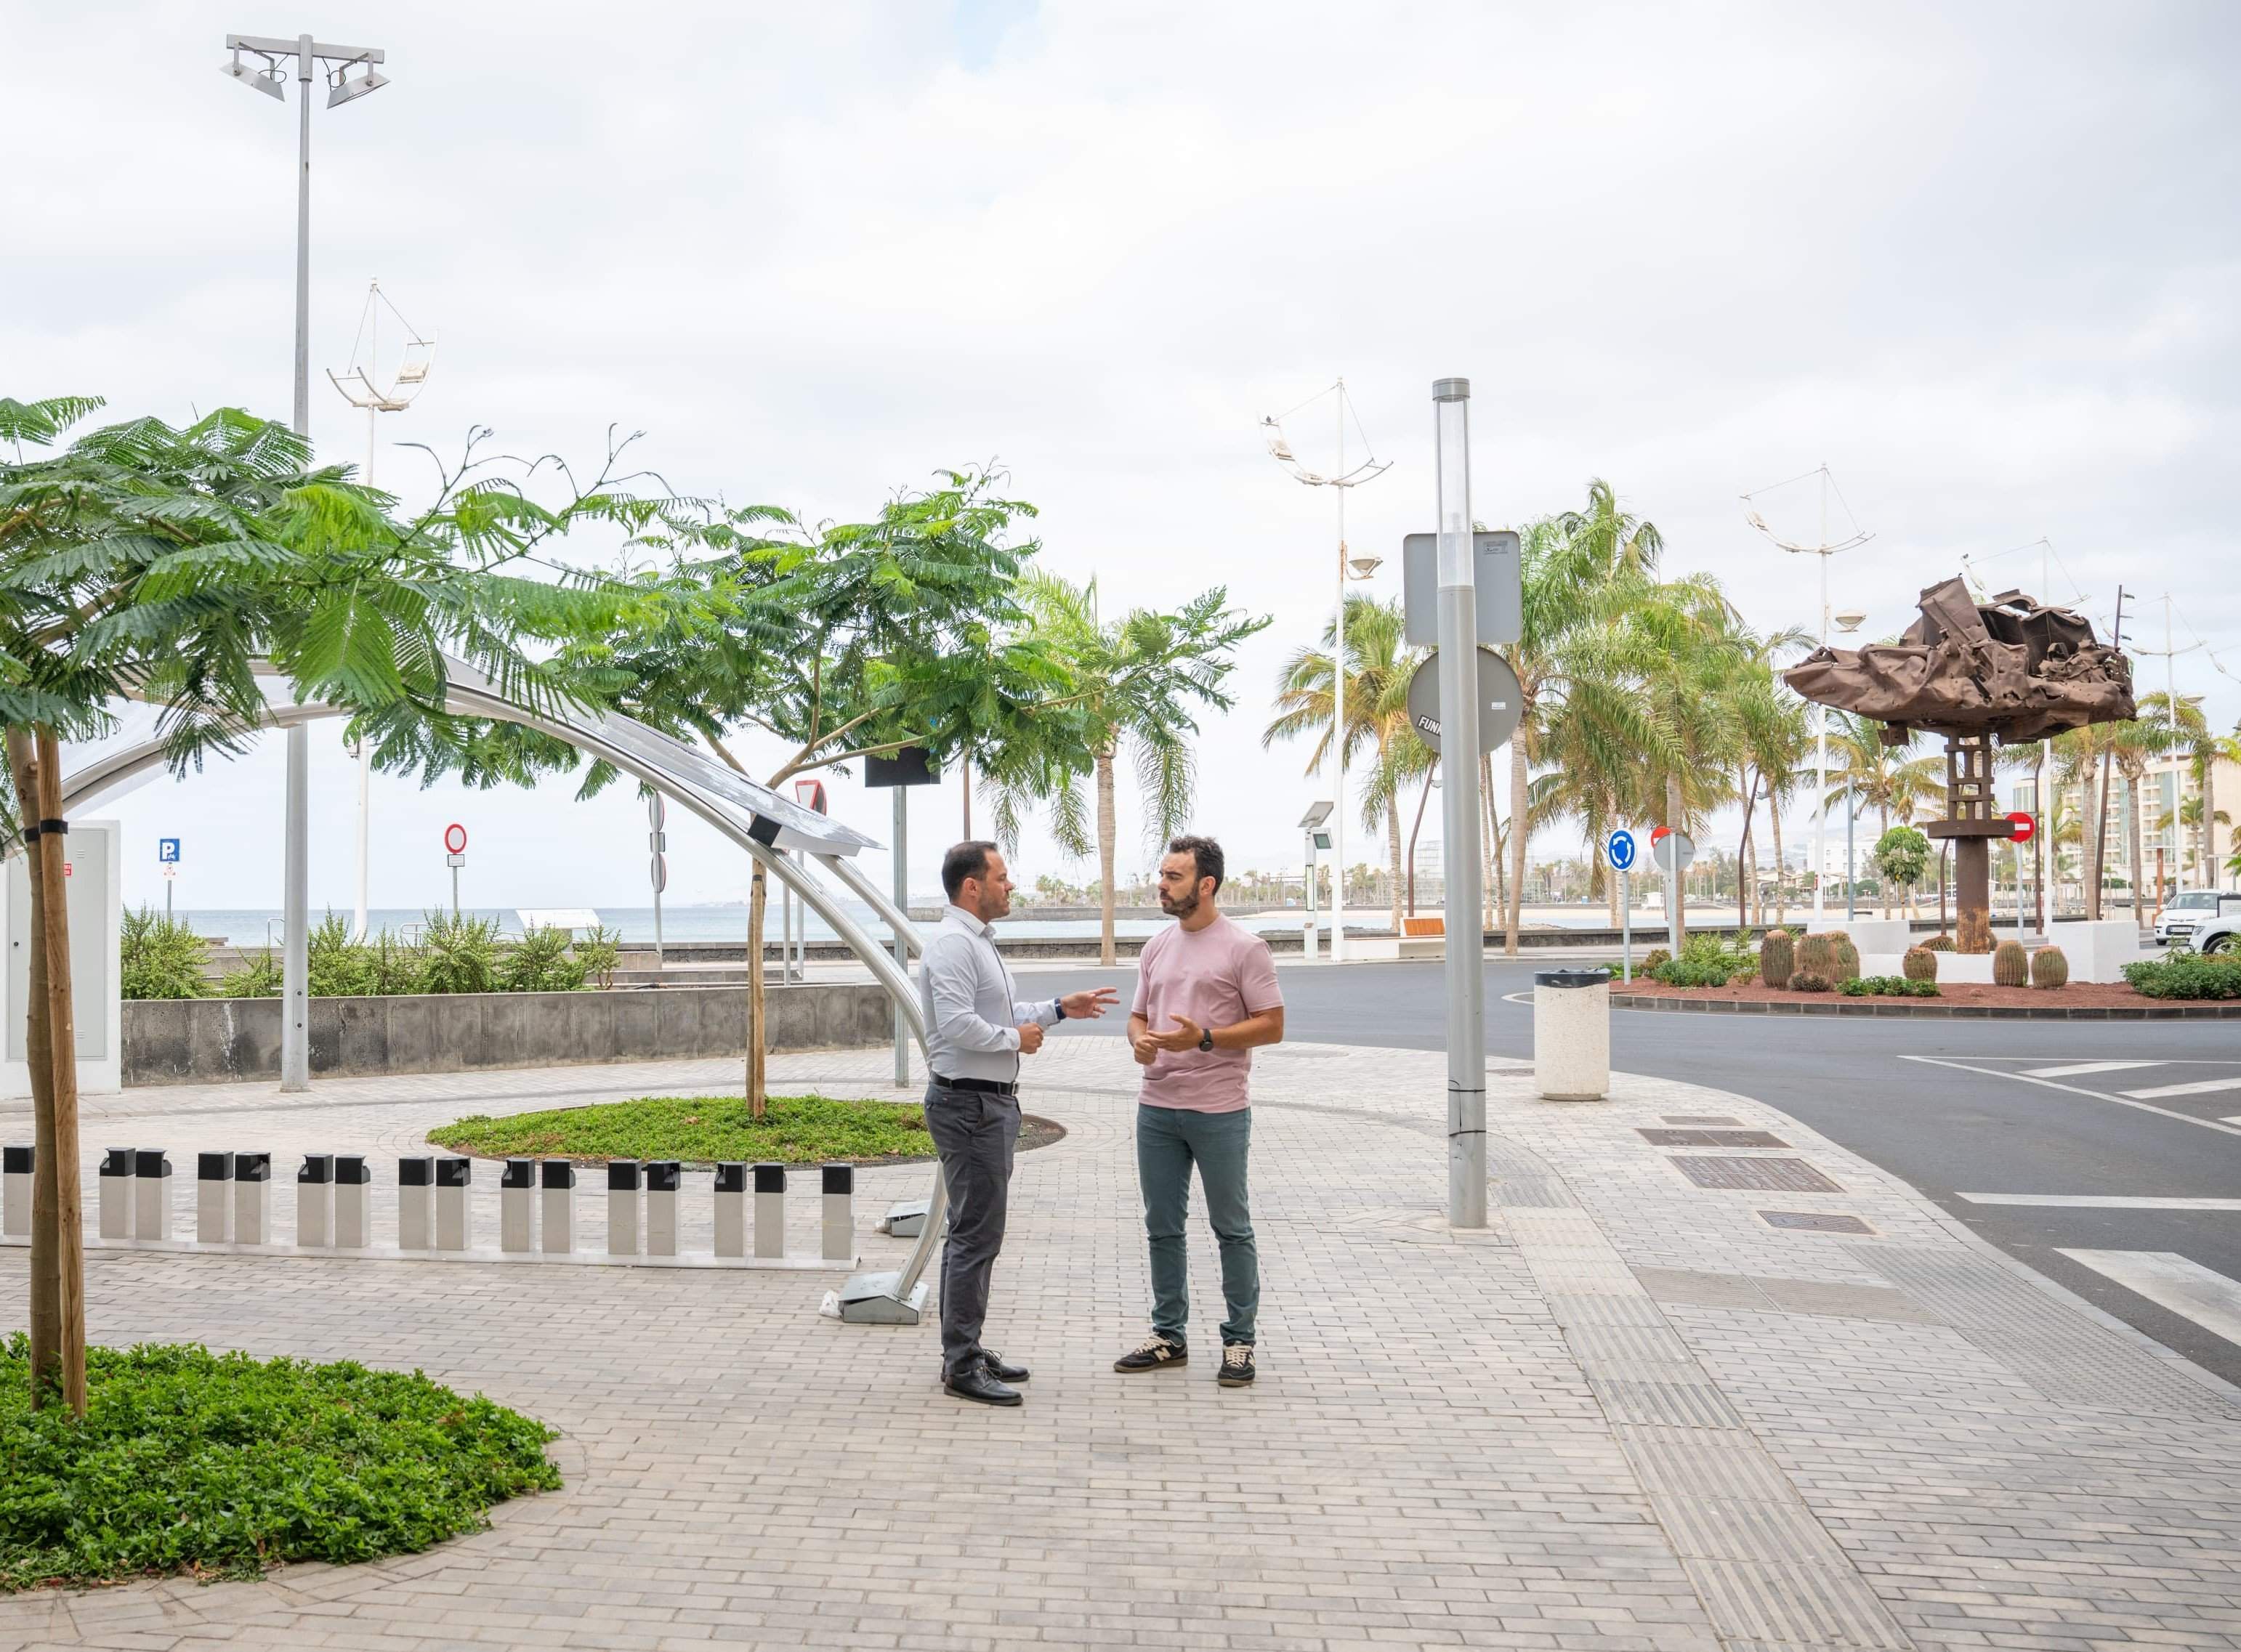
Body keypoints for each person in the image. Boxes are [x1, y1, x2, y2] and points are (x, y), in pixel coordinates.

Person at [920, 839, 1118, 1406]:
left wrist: (1057, 1010)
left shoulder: (976, 943)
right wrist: (1014, 1040)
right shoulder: (954, 945)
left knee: (977, 1234)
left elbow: (998, 1015)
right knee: (974, 1237)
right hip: (969, 1106)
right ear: (972, 886)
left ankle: (968, 1348)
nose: (1011, 887)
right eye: (1002, 878)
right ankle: (960, 1364)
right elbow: (959, 1024)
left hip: (988, 1104)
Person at [1114, 834, 1284, 1388]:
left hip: (1219, 1111)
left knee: (1231, 1229)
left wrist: (1205, 1038)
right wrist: (1139, 1041)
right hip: (1157, 1108)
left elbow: (1272, 1024)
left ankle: (1239, 1342)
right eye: (1162, 875)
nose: (1161, 885)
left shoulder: (1244, 948)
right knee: (1162, 1228)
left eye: (1173, 877)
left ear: (1205, 885)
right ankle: (1169, 1336)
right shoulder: (1156, 947)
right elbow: (1139, 1017)